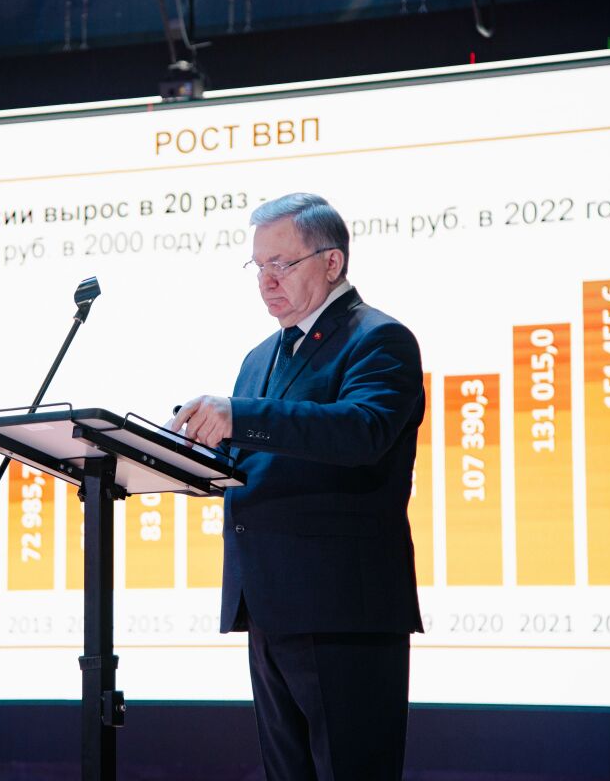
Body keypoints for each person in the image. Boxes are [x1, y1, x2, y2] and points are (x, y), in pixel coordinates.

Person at [171, 192, 424, 781]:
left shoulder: (379, 339)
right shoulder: (260, 356)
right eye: (258, 266)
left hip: (342, 609)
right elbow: (247, 457)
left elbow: (362, 431)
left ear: (332, 262)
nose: (267, 281)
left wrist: (238, 416)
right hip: (268, 603)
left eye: (282, 264)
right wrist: (184, 455)